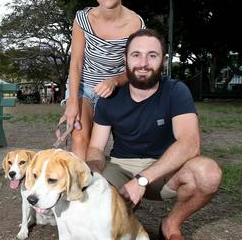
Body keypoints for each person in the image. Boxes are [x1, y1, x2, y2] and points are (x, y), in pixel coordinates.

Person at [86, 29, 222, 240]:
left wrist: (141, 181)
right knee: (96, 202)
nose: (143, 63)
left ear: (164, 61)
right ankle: (125, 217)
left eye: (152, 55)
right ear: (125, 59)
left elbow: (190, 144)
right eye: (136, 55)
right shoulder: (108, 99)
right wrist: (93, 177)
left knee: (208, 174)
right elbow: (95, 148)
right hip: (121, 166)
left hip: (164, 169)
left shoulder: (176, 91)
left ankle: (171, 224)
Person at [63, 0, 146, 161]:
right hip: (83, 88)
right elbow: (76, 63)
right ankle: (79, 191)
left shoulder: (136, 23)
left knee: (118, 147)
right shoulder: (82, 18)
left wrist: (115, 81)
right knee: (80, 139)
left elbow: (135, 68)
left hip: (116, 90)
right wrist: (73, 102)